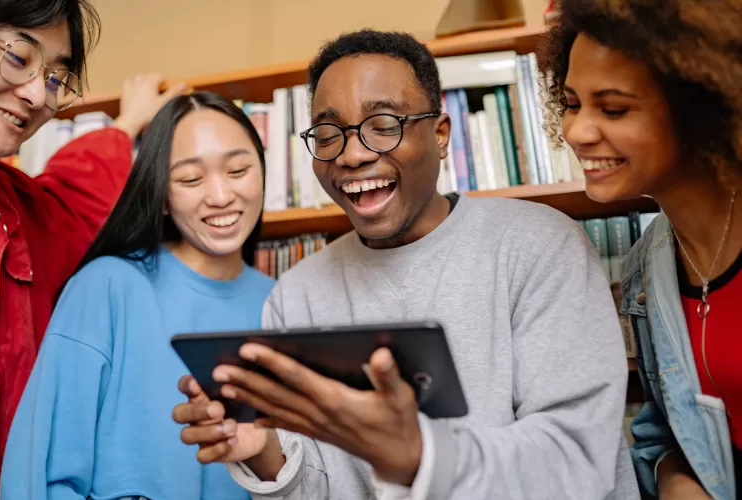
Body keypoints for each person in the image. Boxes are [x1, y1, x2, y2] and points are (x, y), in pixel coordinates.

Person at [172, 28, 639, 499]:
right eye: (330, 134)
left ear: (440, 135)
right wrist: (263, 451)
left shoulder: (539, 246)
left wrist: (419, 455)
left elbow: (575, 462)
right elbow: (319, 489)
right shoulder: (296, 295)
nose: (352, 155)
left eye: (383, 125)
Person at [0, 0, 186, 497]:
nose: (38, 94)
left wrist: (128, 124)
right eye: (17, 55)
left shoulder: (7, 211)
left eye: (57, 78)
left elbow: (75, 206)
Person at [0, 91, 275, 499]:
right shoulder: (107, 286)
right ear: (162, 197)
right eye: (191, 179)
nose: (220, 196)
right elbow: (38, 474)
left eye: (237, 170)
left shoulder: (284, 302)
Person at [540, 1, 742, 498]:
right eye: (570, 103)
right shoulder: (647, 269)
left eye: (613, 108)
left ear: (700, 108)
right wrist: (674, 477)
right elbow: (668, 432)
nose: (576, 131)